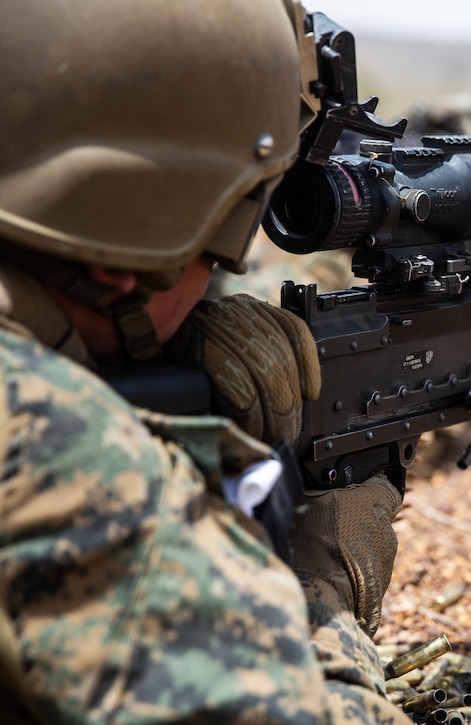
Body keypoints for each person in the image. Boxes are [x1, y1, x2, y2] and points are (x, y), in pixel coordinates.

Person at [0, 1, 410, 722]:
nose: (228, 269)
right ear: (136, 246)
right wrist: (319, 586)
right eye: (238, 223)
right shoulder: (57, 450)